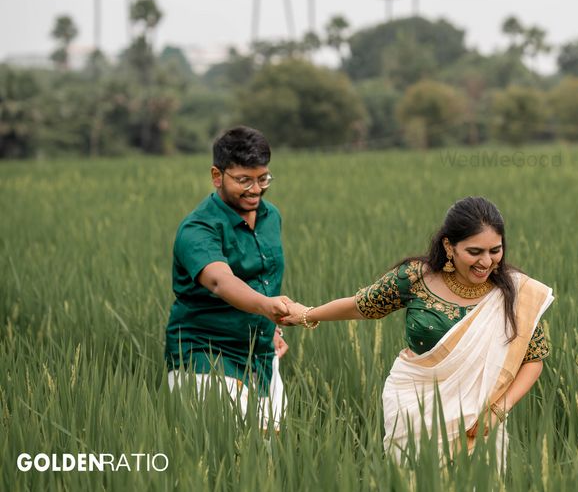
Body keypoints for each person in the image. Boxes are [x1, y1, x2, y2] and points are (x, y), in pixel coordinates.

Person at [282, 196, 553, 466]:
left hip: (479, 419)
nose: (486, 261)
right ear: (449, 246)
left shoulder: (515, 294)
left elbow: (534, 359)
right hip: (413, 409)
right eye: (474, 252)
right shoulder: (416, 277)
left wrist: (497, 411)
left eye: (495, 250)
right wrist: (305, 314)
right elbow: (362, 306)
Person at [163, 126, 293, 431]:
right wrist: (266, 306)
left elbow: (266, 277)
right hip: (205, 354)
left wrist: (270, 326)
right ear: (217, 176)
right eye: (244, 180)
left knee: (270, 448)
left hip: (259, 353)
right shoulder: (197, 229)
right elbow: (221, 281)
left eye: (263, 178)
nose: (256, 189)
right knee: (230, 446)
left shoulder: (270, 216)